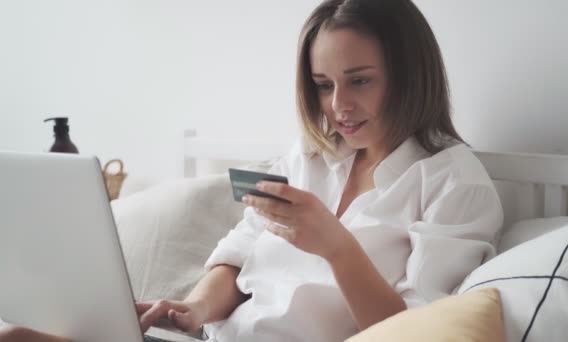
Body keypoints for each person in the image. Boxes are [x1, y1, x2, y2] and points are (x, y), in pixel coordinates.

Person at [0, 0, 503, 341]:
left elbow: (409, 331)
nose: (338, 107)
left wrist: (337, 247)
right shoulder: (308, 158)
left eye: (360, 81)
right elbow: (239, 254)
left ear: (411, 74)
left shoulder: (453, 183)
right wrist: (193, 309)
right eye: (323, 84)